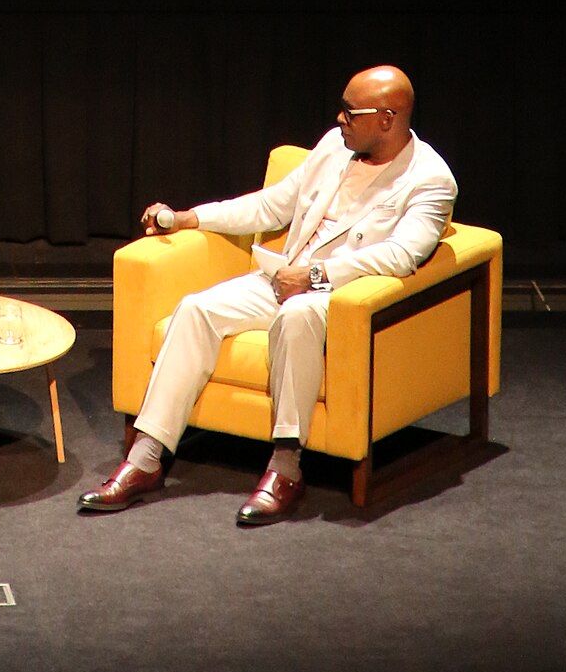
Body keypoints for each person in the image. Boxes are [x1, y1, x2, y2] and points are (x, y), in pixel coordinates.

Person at [78, 64, 455, 526]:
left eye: (350, 112)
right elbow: (271, 205)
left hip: (341, 296)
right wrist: (190, 218)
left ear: (386, 119)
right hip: (280, 277)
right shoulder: (334, 147)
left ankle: (286, 468)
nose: (339, 119)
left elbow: (401, 255)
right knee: (195, 309)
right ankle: (146, 459)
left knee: (297, 316)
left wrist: (314, 277)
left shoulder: (430, 179)